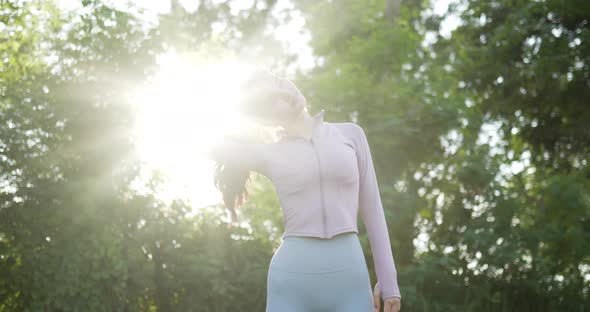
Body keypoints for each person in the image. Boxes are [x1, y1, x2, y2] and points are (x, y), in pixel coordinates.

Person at [207, 68, 401, 312]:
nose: (284, 92)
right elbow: (202, 143)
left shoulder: (351, 134)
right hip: (291, 282)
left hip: (350, 279)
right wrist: (239, 110)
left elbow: (372, 207)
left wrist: (388, 282)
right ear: (266, 118)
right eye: (271, 97)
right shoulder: (269, 154)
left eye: (279, 82)